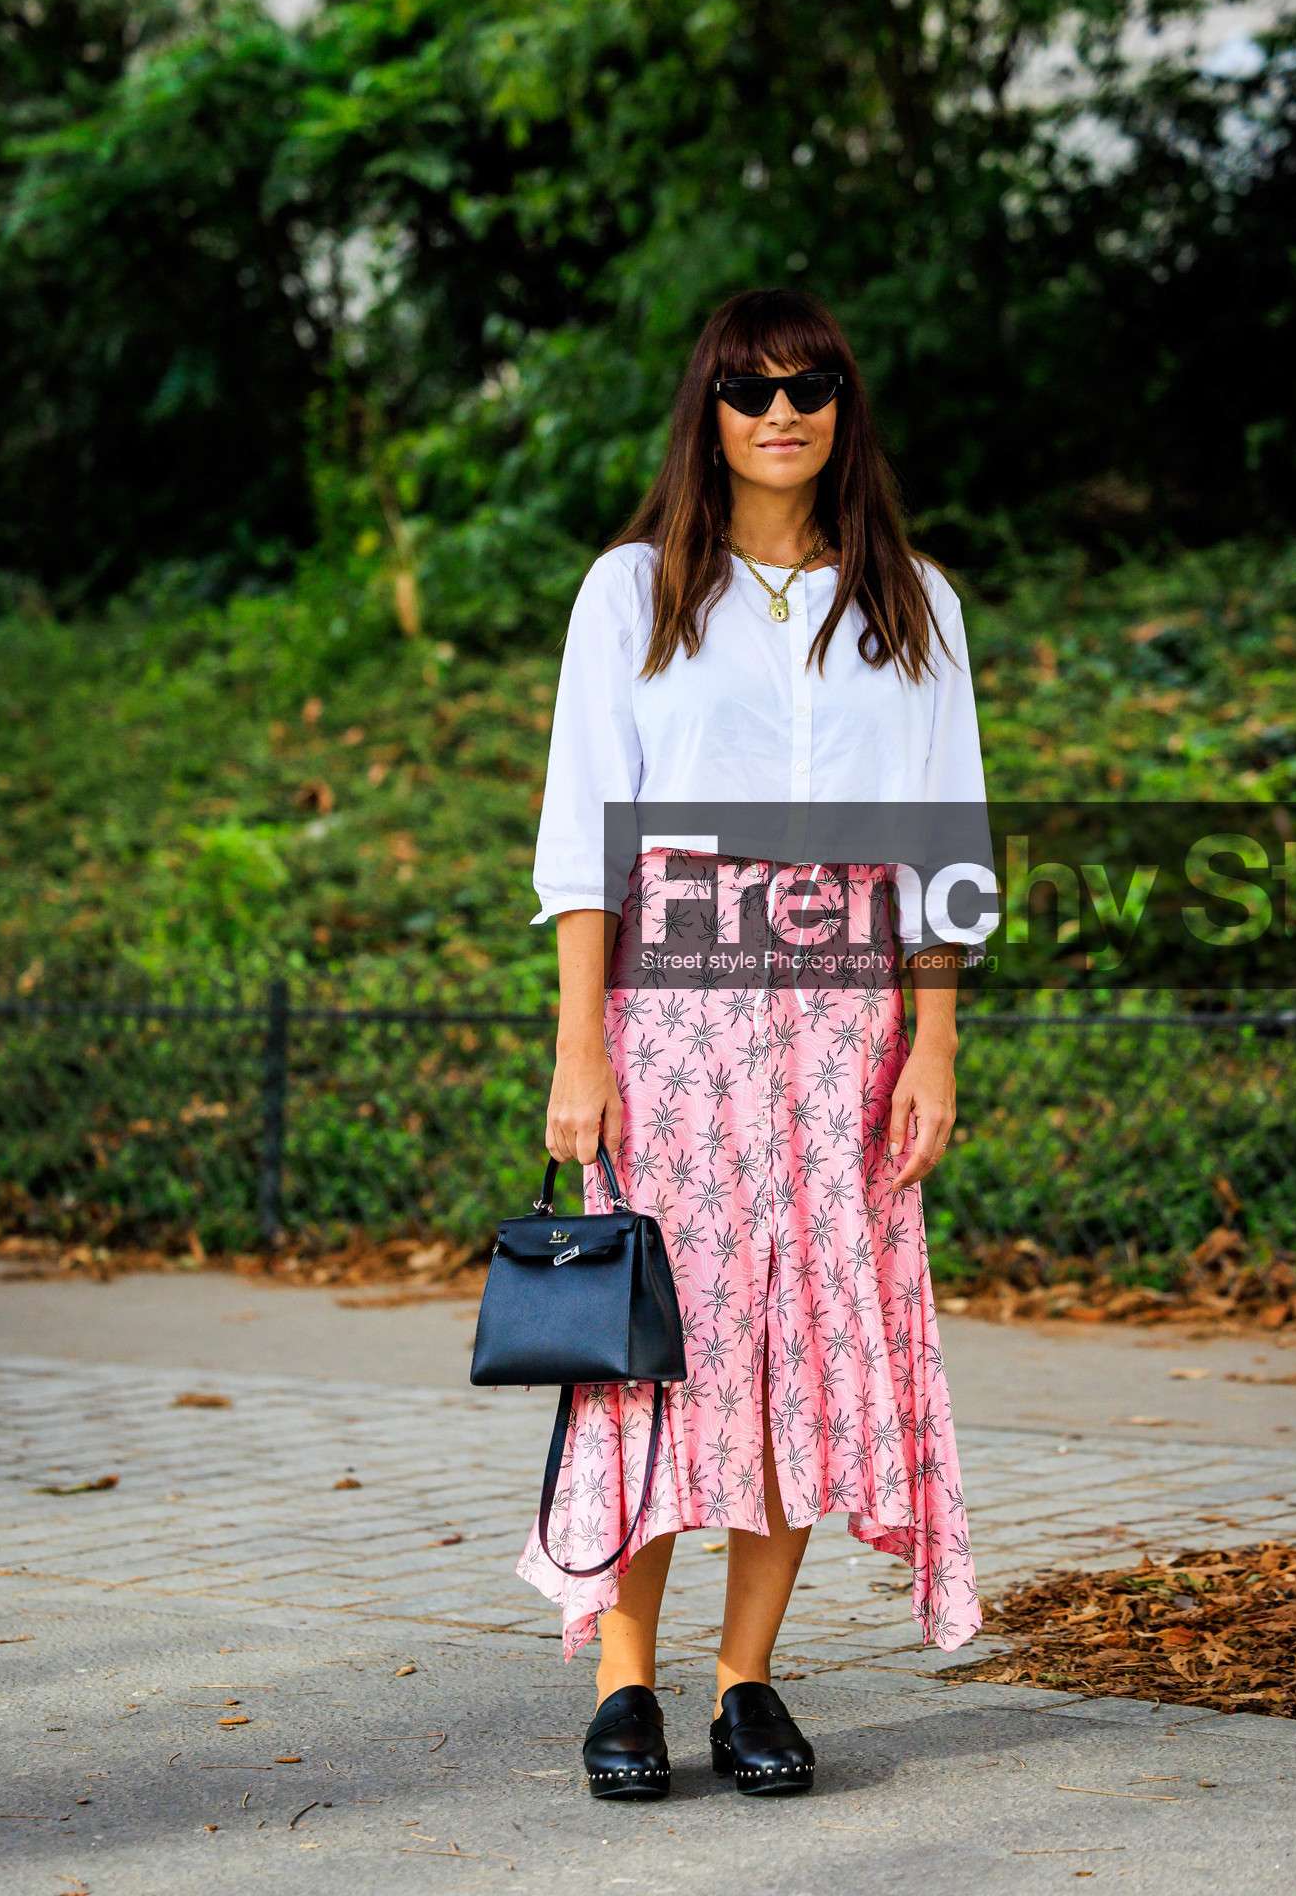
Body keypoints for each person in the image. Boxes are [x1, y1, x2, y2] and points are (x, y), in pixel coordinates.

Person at [523, 286, 987, 1801]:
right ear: (707, 416)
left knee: (804, 1346)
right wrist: (578, 1046)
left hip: (845, 1021)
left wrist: (935, 1043)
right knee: (669, 1339)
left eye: (813, 383)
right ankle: (624, 1683)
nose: (782, 410)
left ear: (846, 404)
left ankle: (746, 1681)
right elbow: (587, 839)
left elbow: (942, 850)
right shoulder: (634, 591)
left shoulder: (913, 604)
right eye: (749, 389)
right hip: (674, 1018)